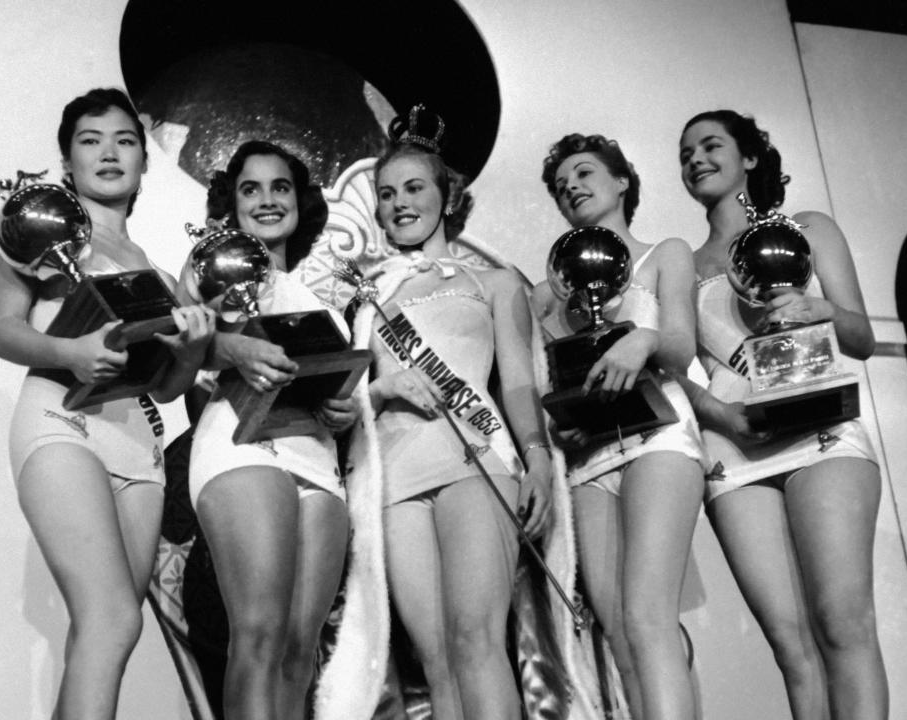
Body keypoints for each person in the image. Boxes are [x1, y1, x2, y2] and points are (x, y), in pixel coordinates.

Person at [0, 87, 215, 720]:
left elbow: (166, 388)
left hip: (139, 448)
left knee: (109, 633)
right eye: (91, 141)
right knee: (111, 619)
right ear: (68, 164)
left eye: (124, 140)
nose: (109, 152)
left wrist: (192, 353)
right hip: (61, 421)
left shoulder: (157, 272)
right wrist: (73, 352)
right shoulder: (42, 236)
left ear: (144, 160)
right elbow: (0, 330)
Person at [338, 110, 553, 720]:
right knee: (433, 659)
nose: (400, 203)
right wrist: (383, 388)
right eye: (387, 193)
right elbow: (352, 396)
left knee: (476, 641)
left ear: (446, 196)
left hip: (475, 461)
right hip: (396, 477)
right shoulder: (367, 297)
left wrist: (537, 459)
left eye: (414, 188)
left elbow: (517, 383)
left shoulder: (493, 281)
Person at [678, 110, 887, 720]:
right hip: (735, 448)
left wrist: (811, 306)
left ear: (748, 157)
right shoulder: (680, 265)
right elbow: (670, 372)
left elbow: (861, 336)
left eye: (710, 145)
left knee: (842, 623)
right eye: (685, 153)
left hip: (820, 428)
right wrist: (717, 413)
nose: (695, 159)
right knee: (792, 648)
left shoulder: (807, 228)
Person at [532, 133, 706, 720]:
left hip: (659, 439)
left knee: (649, 620)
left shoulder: (666, 253)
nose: (572, 188)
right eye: (562, 187)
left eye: (584, 174)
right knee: (622, 643)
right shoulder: (547, 293)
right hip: (589, 464)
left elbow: (681, 348)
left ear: (622, 181)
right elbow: (552, 387)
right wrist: (563, 428)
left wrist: (643, 340)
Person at [181, 140, 356, 720]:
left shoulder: (326, 294)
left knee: (298, 654)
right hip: (241, 445)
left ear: (300, 201)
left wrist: (346, 410)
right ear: (231, 202)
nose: (266, 200)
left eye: (279, 187)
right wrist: (233, 345)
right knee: (257, 635)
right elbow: (177, 350)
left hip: (319, 459)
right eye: (249, 189)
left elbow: (335, 381)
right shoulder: (212, 265)